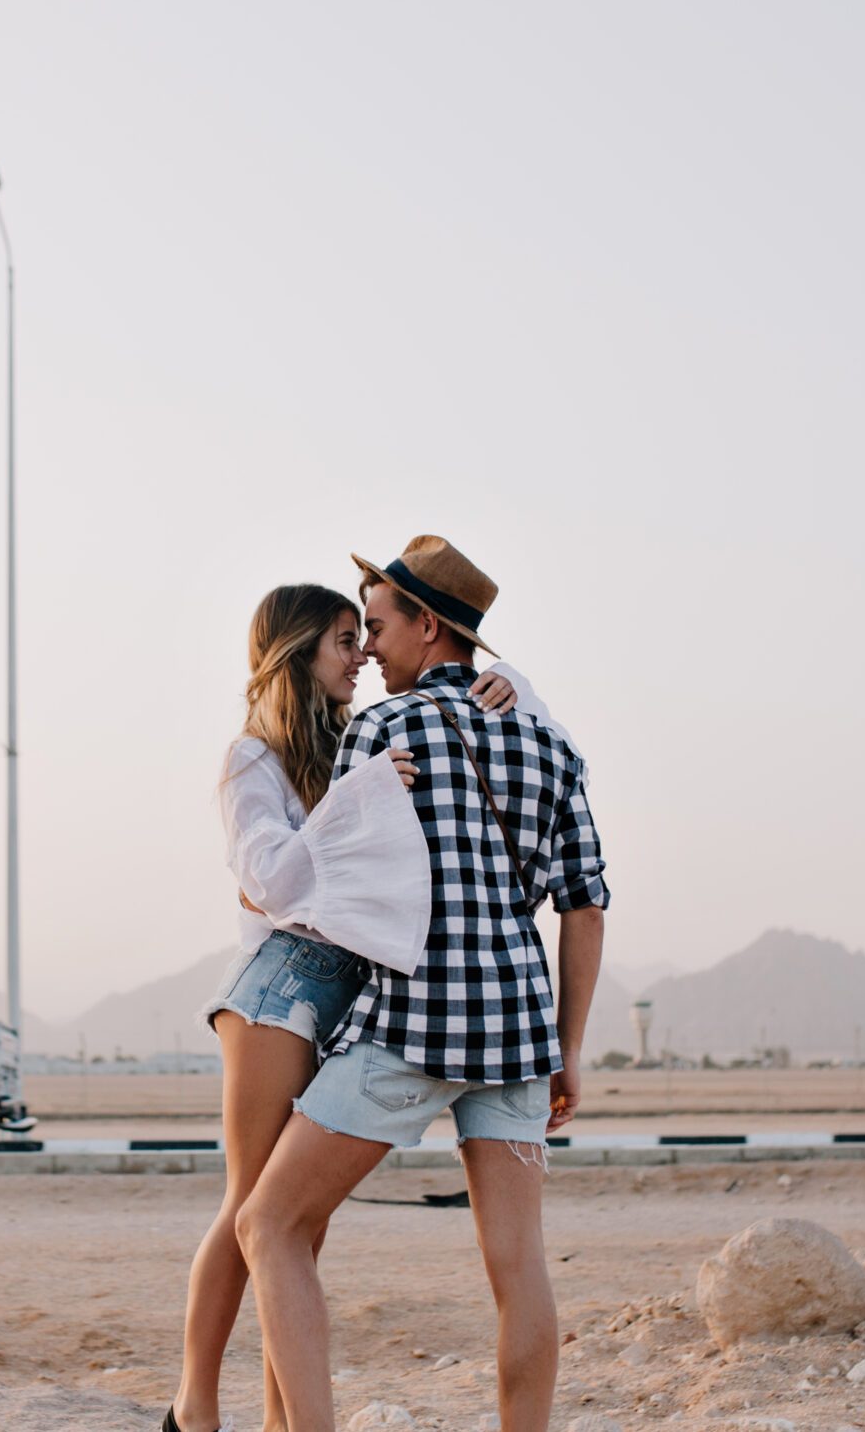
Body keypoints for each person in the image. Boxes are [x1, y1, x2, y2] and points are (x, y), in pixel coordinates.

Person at [235, 536, 610, 1432]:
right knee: (520, 1271)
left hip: (411, 1020)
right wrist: (568, 1049)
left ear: (427, 626)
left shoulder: (383, 731)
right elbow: (585, 908)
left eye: (375, 627)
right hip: (519, 1027)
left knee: (269, 1226)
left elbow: (330, 885)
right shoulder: (550, 743)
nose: (366, 649)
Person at [168, 581, 557, 1432]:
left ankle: (278, 1419)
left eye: (364, 635)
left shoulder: (357, 737)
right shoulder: (253, 759)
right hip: (283, 986)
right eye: (343, 641)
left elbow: (482, 721)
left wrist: (509, 681)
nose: (362, 655)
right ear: (297, 651)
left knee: (297, 1232)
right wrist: (357, 799)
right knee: (252, 1211)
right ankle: (194, 1407)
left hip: (353, 992)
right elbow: (270, 881)